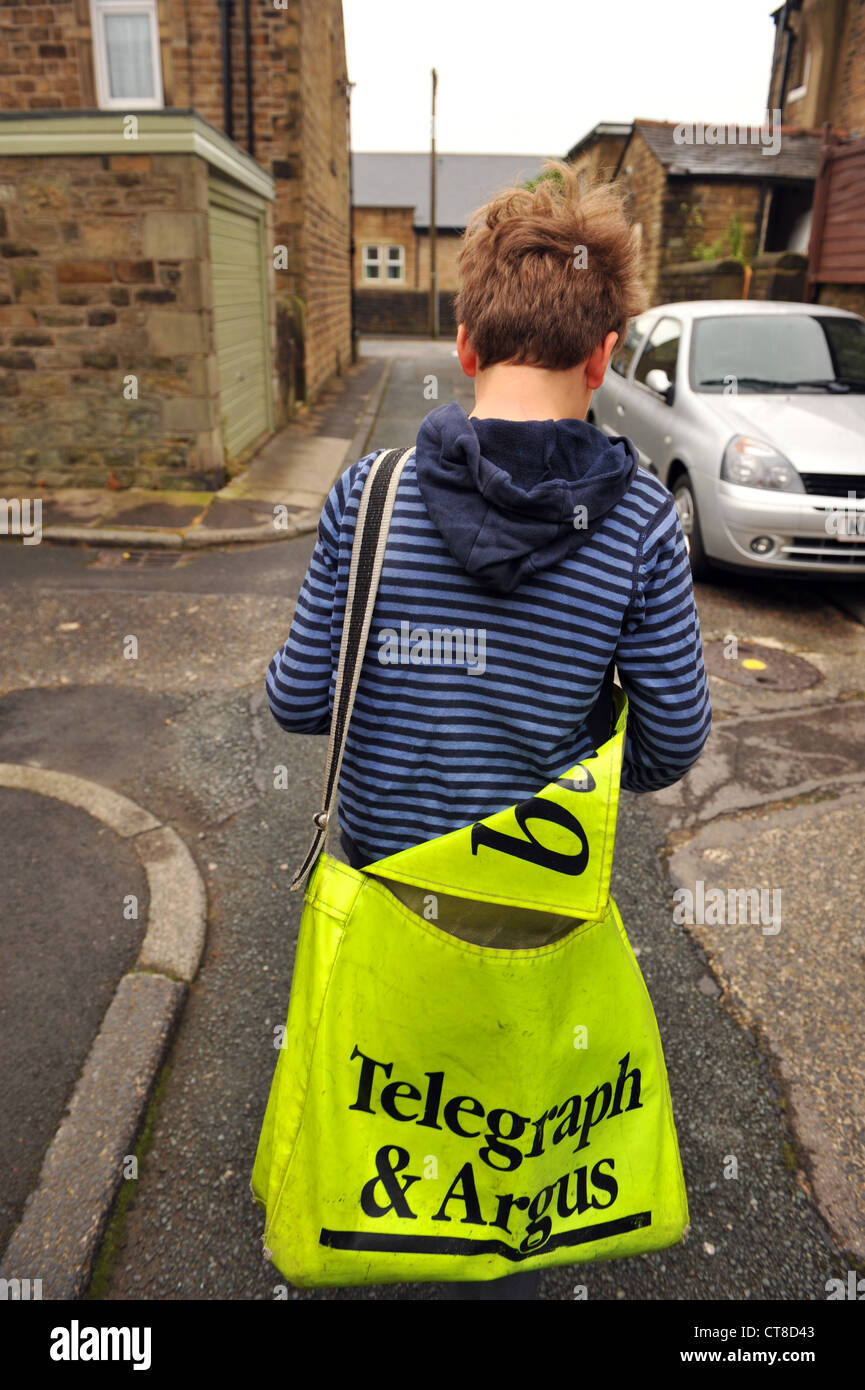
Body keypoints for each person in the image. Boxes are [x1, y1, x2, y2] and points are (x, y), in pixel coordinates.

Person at [265, 159, 712, 1300]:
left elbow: (297, 700)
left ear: (464, 342)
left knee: (386, 1157)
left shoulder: (368, 496)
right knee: (500, 1167)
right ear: (603, 354)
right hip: (533, 914)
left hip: (382, 907)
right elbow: (668, 748)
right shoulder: (642, 532)